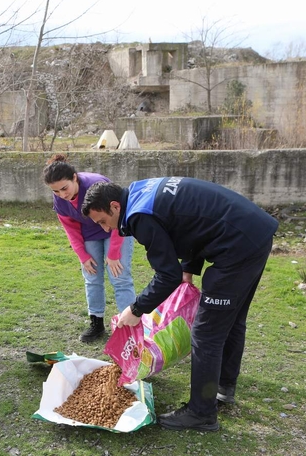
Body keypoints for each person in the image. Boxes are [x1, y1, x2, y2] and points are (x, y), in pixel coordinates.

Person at [81, 177, 278, 431]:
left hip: (237, 247)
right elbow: (191, 222)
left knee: (206, 333)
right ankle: (223, 387)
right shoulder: (140, 190)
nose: (107, 230)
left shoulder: (140, 216)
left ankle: (201, 413)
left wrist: (136, 309)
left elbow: (166, 276)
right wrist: (189, 267)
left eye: (103, 222)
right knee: (232, 319)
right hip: (253, 232)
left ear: (115, 206)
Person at [42, 154, 137, 342]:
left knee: (119, 277)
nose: (62, 195)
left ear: (75, 178)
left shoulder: (96, 184)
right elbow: (70, 228)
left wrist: (113, 253)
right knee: (92, 276)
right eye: (56, 191)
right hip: (89, 234)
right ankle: (96, 323)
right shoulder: (60, 199)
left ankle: (129, 326)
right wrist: (82, 255)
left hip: (115, 229)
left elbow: (119, 213)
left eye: (64, 188)